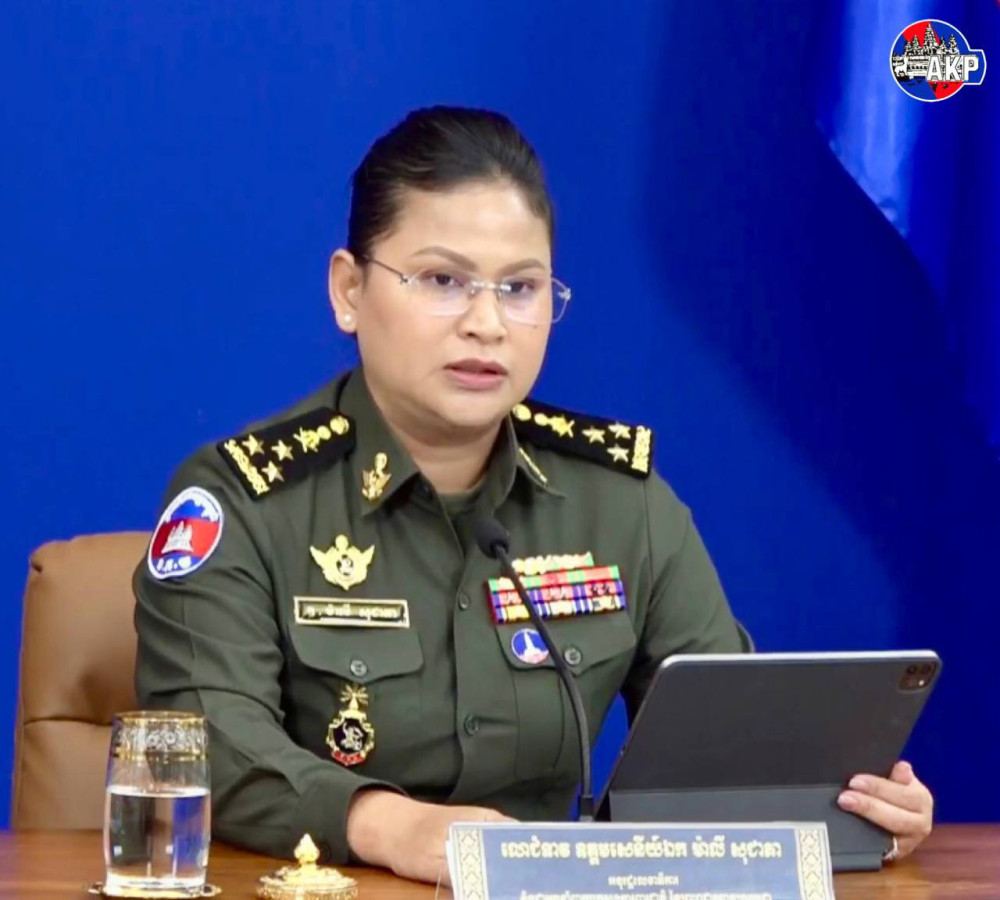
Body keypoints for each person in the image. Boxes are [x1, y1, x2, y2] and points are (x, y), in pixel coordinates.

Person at [133, 106, 933, 884]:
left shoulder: (618, 502)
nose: (487, 323)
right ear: (349, 290)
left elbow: (730, 744)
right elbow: (206, 743)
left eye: (520, 288)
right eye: (442, 280)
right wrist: (393, 826)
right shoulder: (243, 500)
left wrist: (851, 805)